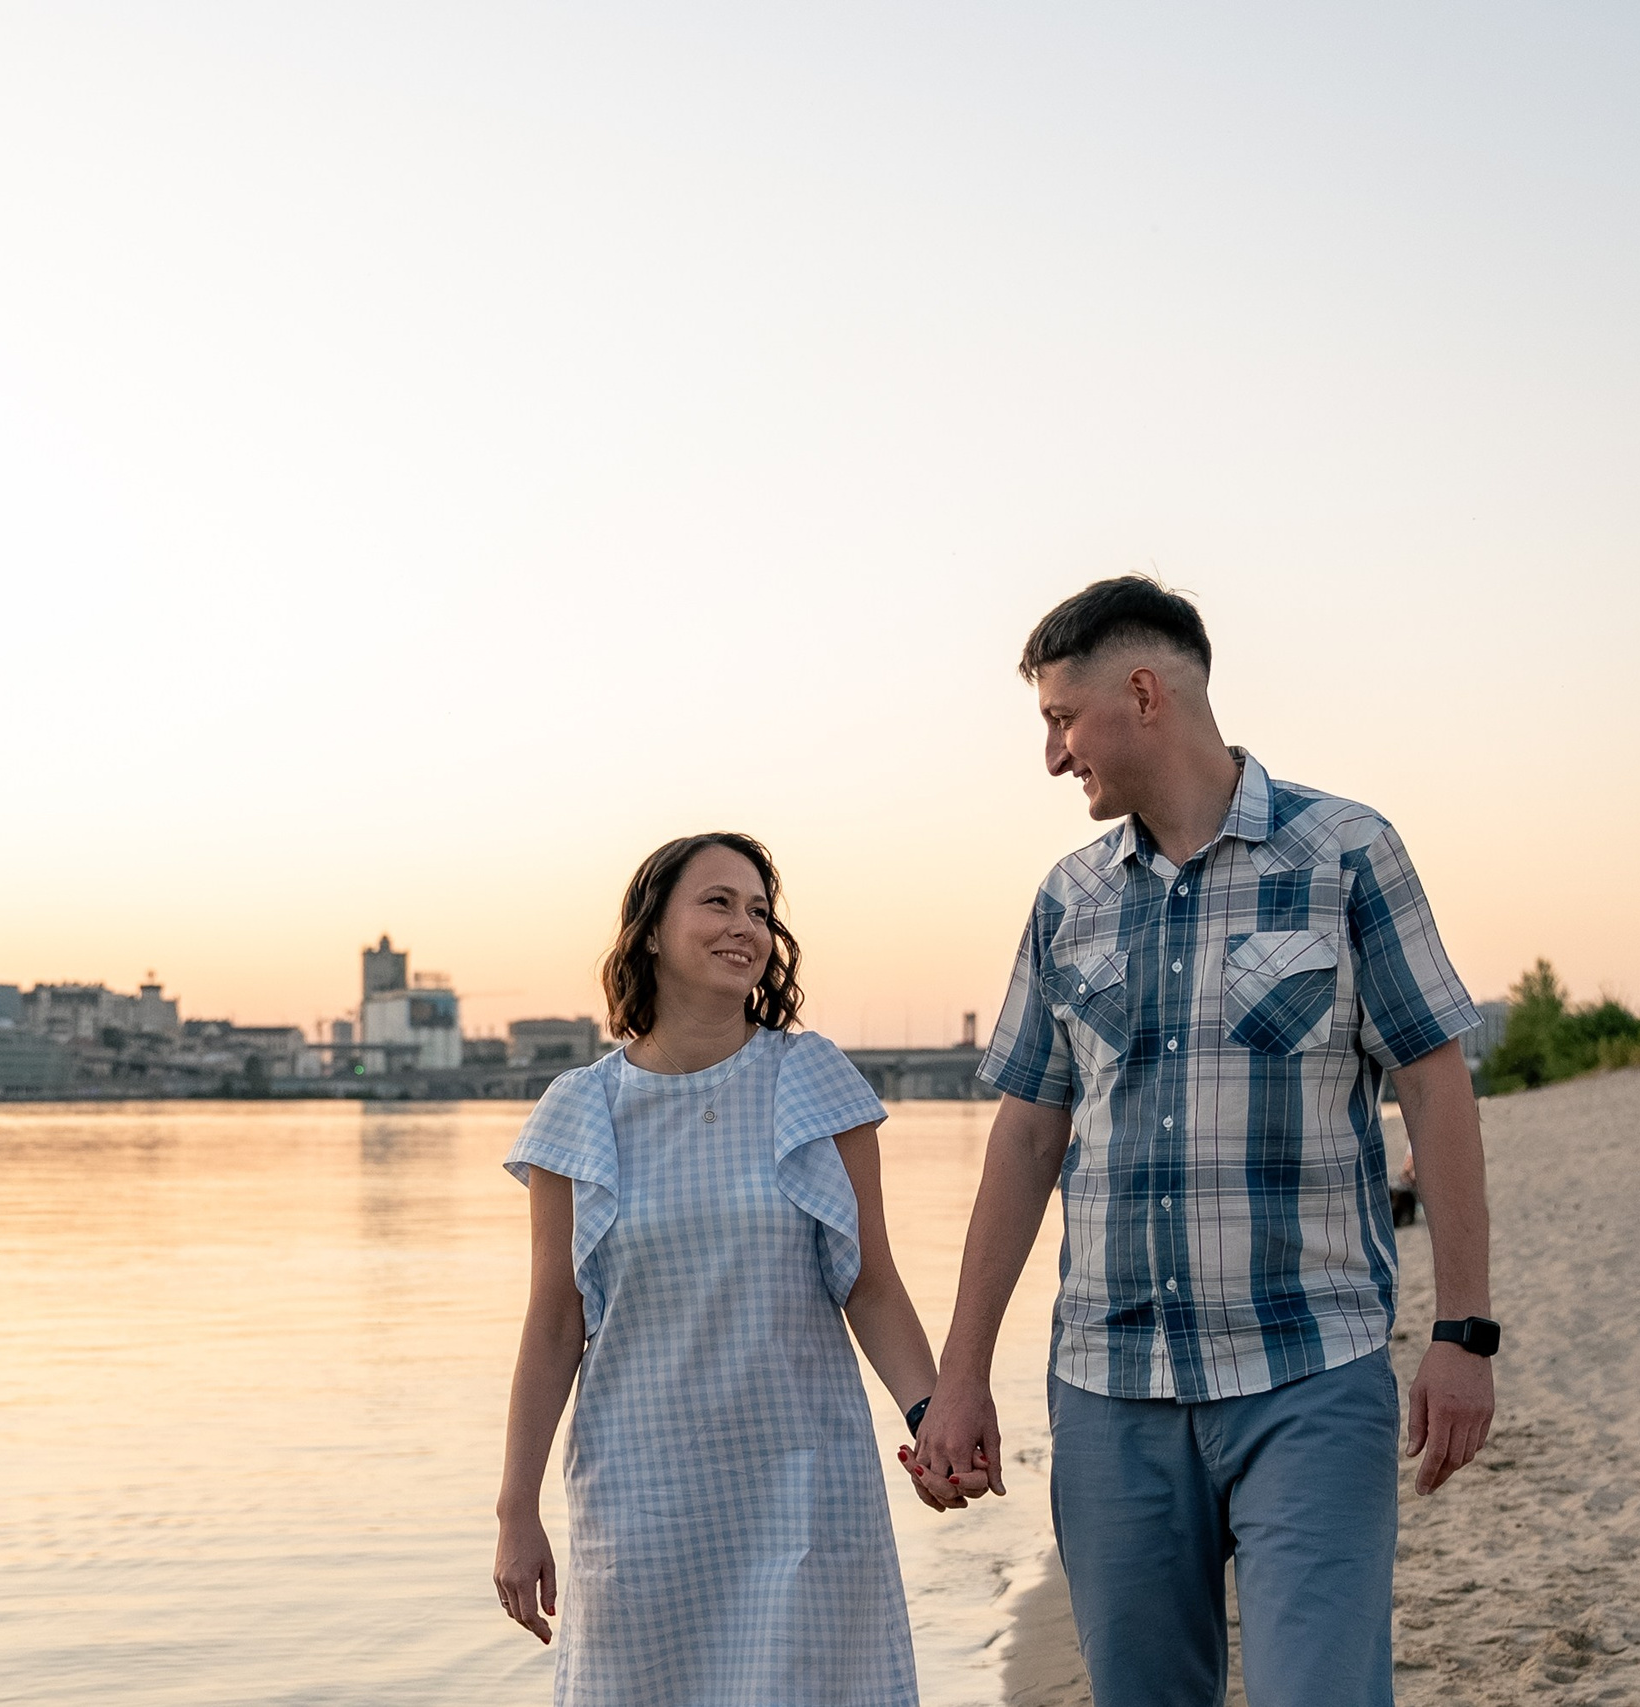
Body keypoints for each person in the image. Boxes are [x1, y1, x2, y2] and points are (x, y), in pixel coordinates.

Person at [912, 578, 1500, 1707]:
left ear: (1142, 693)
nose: (1051, 756)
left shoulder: (1345, 853)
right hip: (1107, 1391)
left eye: (1059, 718)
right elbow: (1028, 1136)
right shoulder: (1067, 900)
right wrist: (960, 1375)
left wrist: (1462, 1333)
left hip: (1306, 1378)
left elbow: (1433, 1085)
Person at [490, 832, 969, 1707]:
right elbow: (554, 1321)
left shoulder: (812, 1079)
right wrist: (515, 1511)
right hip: (640, 1500)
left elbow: (870, 1281)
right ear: (648, 931)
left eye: (759, 910)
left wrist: (935, 1416)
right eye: (717, 901)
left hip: (803, 1485)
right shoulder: (580, 1110)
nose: (745, 925)